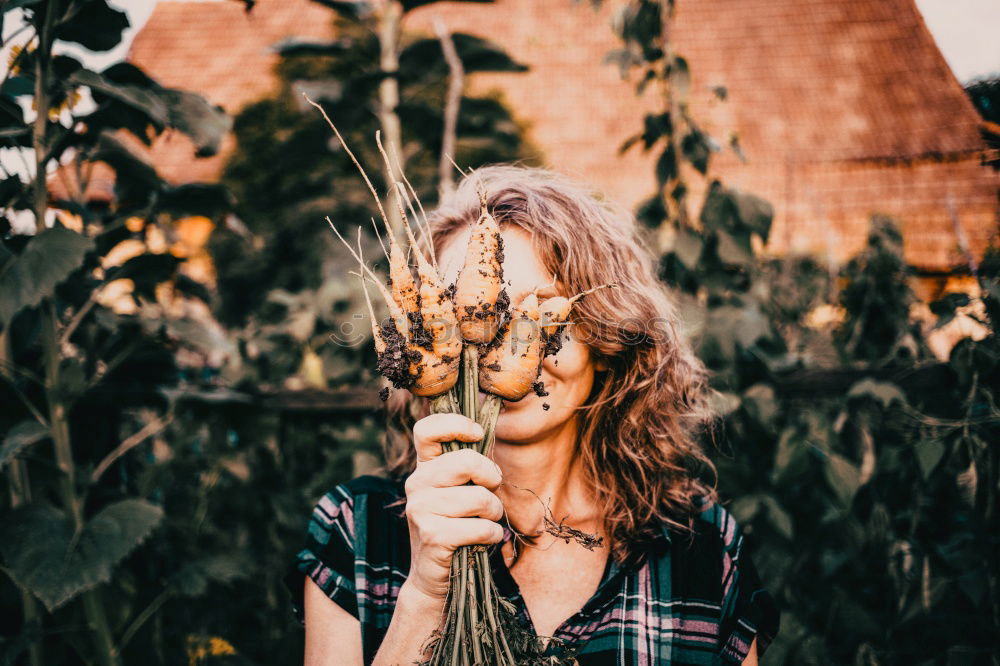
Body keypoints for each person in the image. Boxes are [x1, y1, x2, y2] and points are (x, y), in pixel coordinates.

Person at [284, 165, 780, 665]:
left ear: (602, 339)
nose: (507, 344)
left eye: (541, 313)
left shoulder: (701, 548)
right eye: (476, 315)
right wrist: (423, 598)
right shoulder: (357, 531)